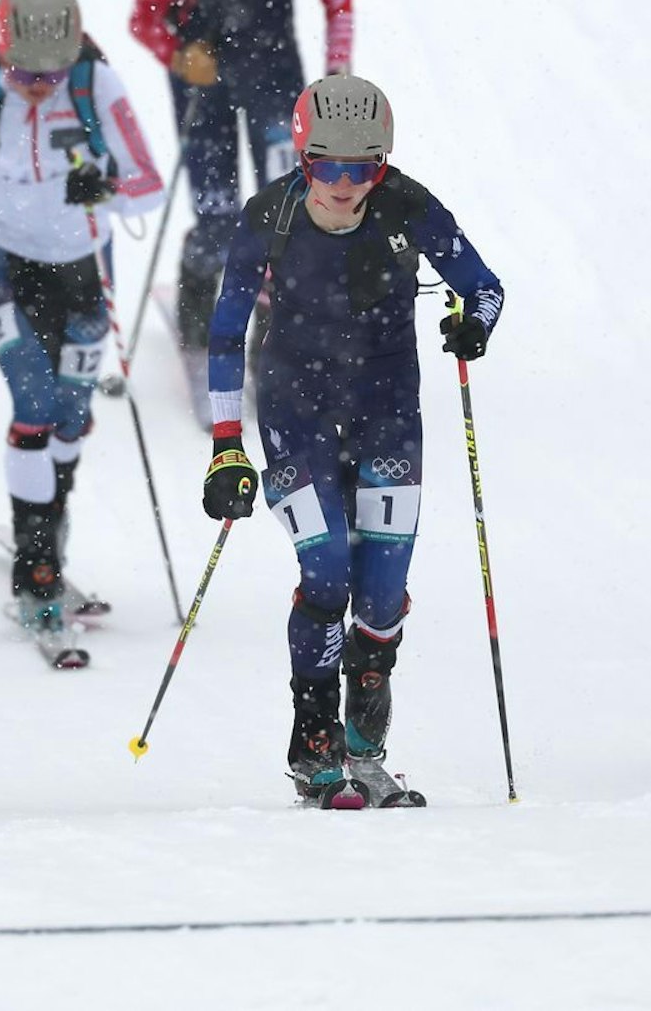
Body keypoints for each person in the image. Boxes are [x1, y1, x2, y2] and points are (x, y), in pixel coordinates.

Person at [199, 75, 503, 799]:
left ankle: (366, 730)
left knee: (380, 595)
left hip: (385, 403)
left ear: (383, 163)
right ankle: (314, 742)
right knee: (327, 565)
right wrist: (225, 445)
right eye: (326, 167)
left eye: (362, 167)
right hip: (294, 404)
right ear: (302, 159)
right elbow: (223, 330)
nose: (343, 184)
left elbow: (484, 284)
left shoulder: (408, 205)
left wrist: (472, 325)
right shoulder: (267, 214)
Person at [0, 0, 165, 634]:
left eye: (51, 73)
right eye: (23, 70)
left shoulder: (95, 86)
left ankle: (52, 513)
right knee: (33, 408)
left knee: (71, 419)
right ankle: (37, 560)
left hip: (85, 275)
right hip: (11, 270)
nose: (36, 84)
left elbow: (148, 184)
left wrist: (103, 186)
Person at [128, 0, 355, 362]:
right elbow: (145, 14)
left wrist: (335, 74)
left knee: (288, 213)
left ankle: (274, 333)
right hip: (203, 82)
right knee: (220, 212)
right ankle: (199, 306)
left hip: (277, 75)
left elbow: (338, 1)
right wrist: (180, 56)